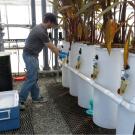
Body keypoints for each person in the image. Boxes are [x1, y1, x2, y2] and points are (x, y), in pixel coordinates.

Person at [19, 13, 66, 110]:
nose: (53, 26)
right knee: (31, 79)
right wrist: (61, 54)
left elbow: (51, 45)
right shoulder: (41, 31)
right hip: (30, 56)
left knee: (34, 78)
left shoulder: (41, 28)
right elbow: (51, 46)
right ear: (49, 21)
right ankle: (20, 100)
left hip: (31, 55)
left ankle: (36, 98)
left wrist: (59, 52)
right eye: (53, 24)